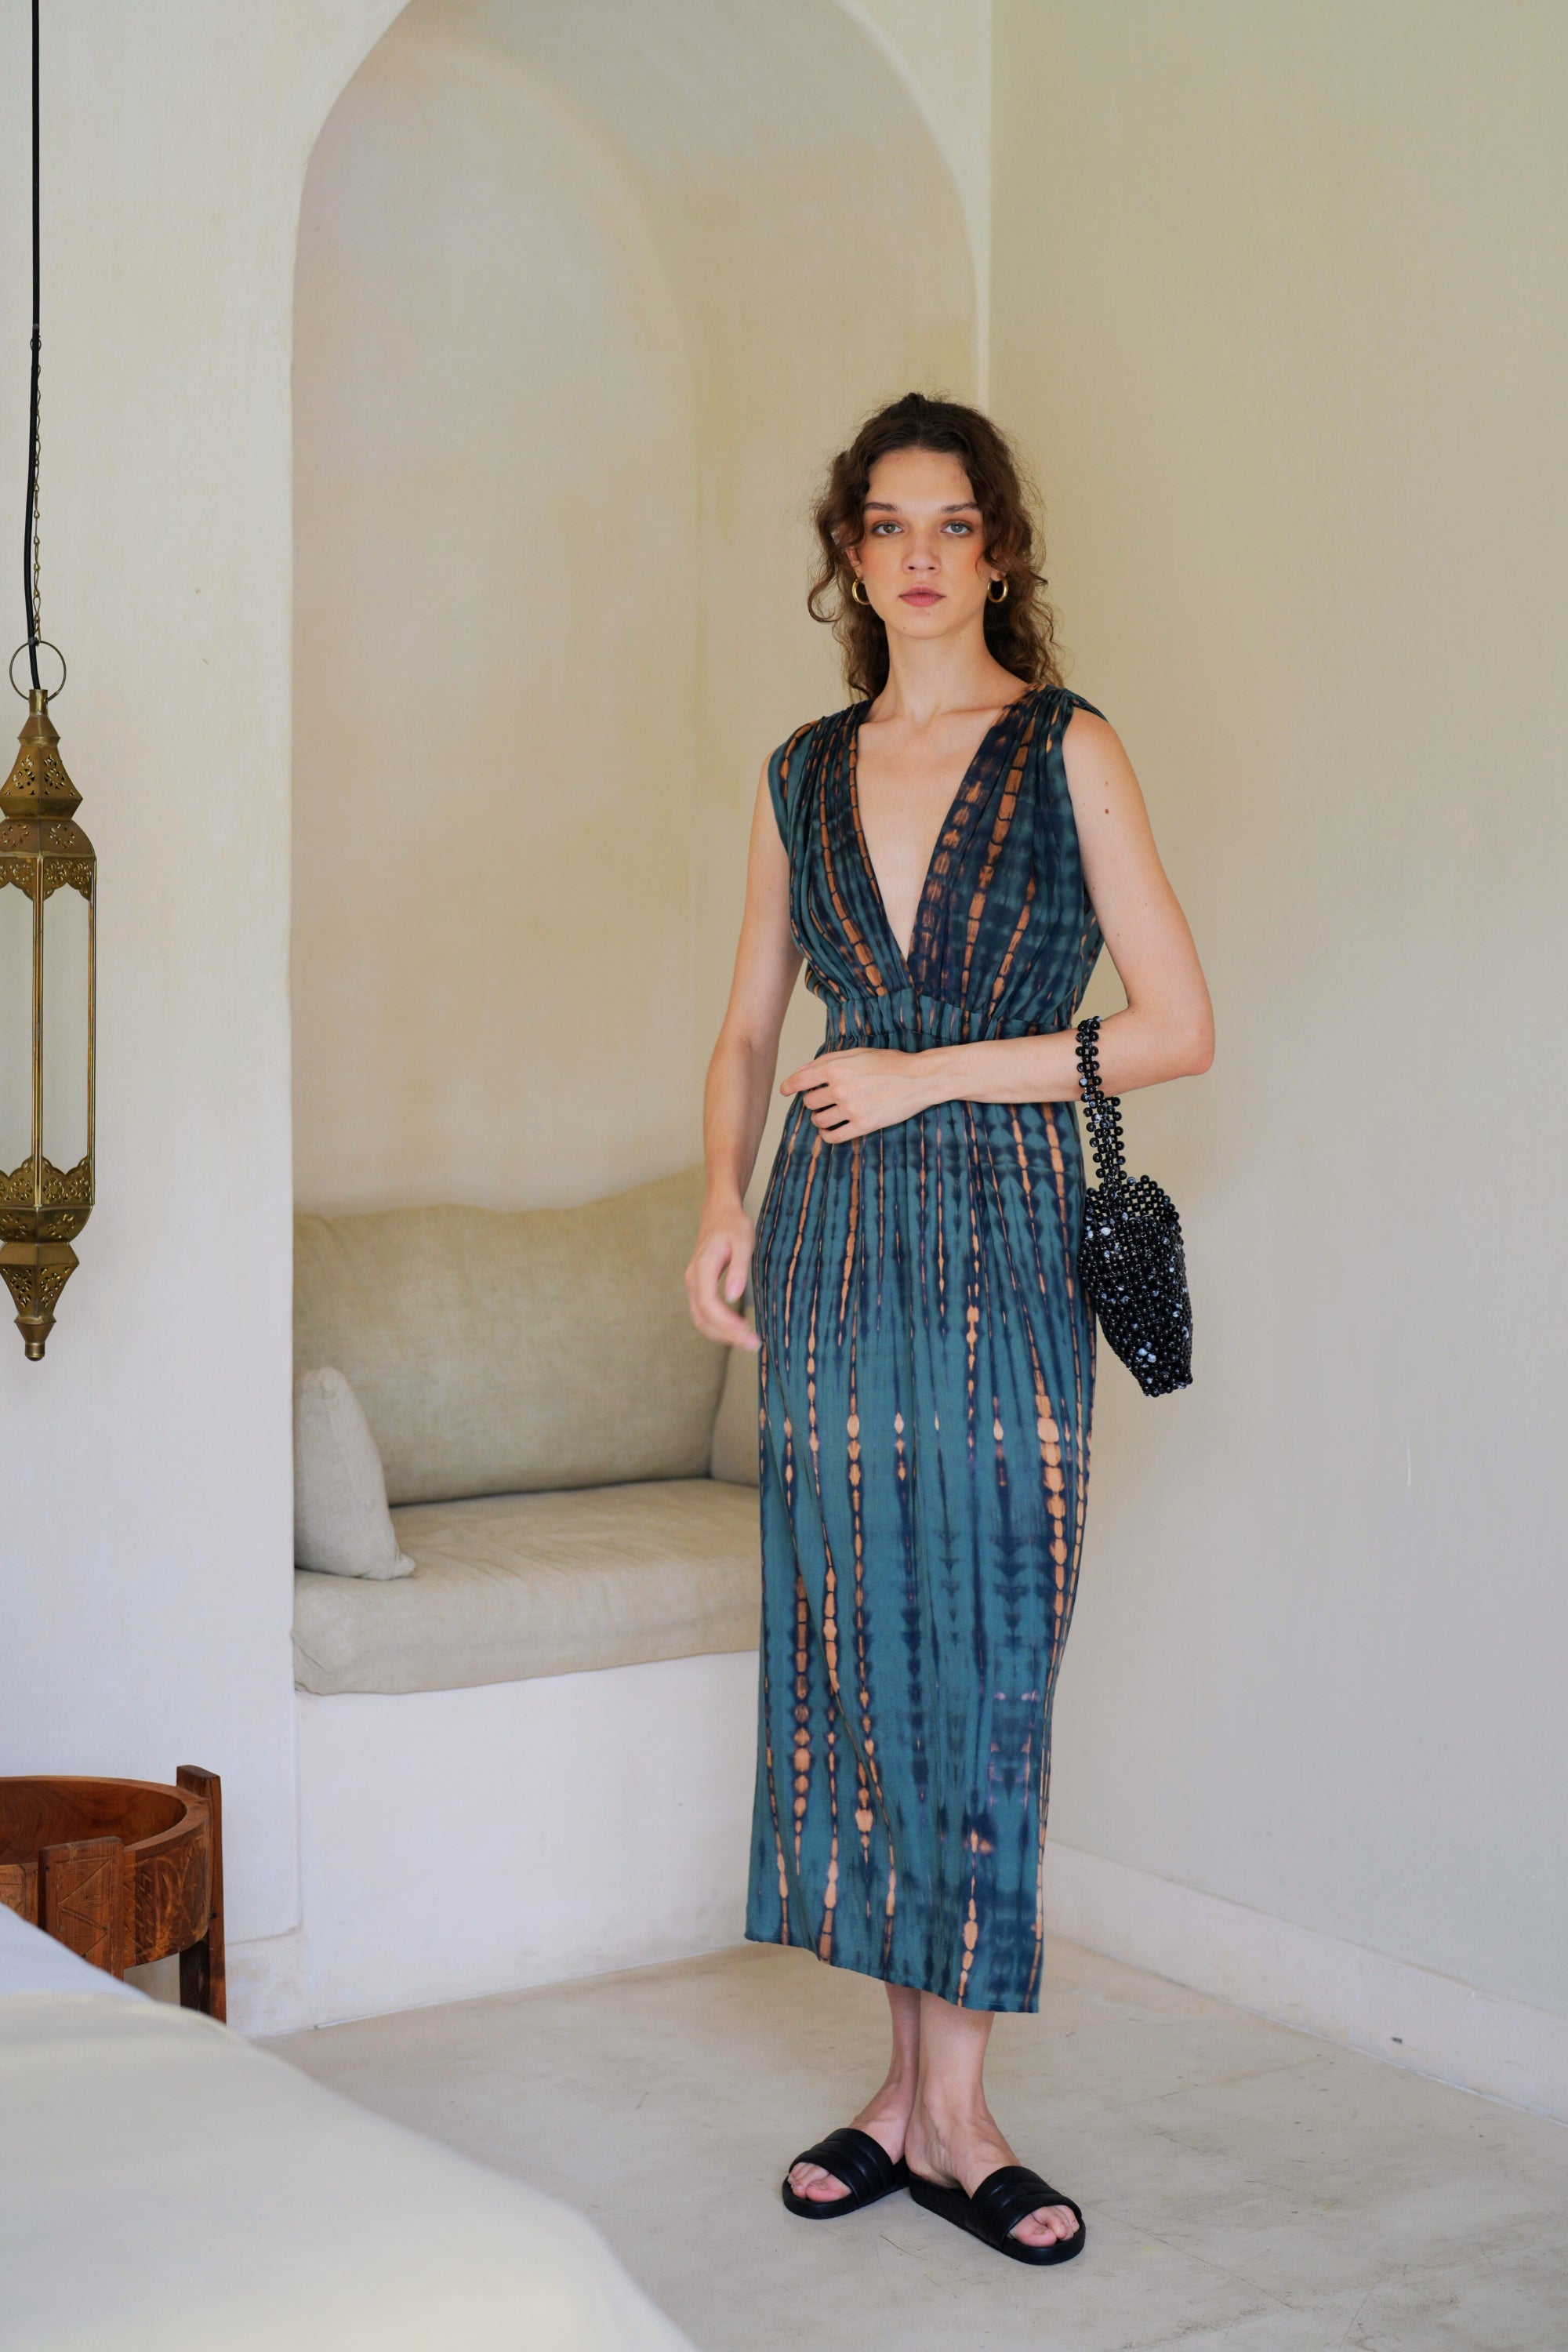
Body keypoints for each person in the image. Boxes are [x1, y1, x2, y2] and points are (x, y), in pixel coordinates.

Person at [684, 392, 1213, 2267]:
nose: (919, 555)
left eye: (953, 524)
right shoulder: (799, 771)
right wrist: (720, 1201)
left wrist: (928, 1075)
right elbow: (748, 1027)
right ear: (850, 553)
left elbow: (1175, 1024)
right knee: (857, 1652)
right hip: (828, 1235)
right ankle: (902, 2099)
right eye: (887, 525)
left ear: (997, 551)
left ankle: (961, 2113)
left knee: (986, 1648)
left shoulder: (1068, 747)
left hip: (1005, 1228)